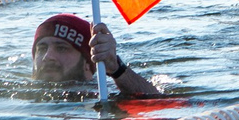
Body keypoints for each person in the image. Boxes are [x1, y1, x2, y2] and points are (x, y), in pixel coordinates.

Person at [28, 13, 163, 99]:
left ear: (87, 64)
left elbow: (156, 102)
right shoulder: (22, 93)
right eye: (42, 49)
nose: (47, 56)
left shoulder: (103, 92)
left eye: (62, 48)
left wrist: (116, 68)